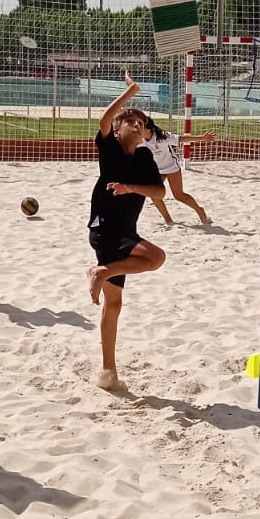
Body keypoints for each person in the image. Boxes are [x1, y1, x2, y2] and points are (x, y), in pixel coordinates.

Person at [87, 73, 166, 391]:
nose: (137, 124)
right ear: (118, 132)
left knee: (114, 305)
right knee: (156, 257)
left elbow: (159, 192)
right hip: (106, 231)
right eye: (131, 121)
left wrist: (131, 188)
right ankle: (102, 271)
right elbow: (104, 119)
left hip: (125, 233)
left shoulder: (145, 157)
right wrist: (131, 92)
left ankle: (108, 370)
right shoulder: (111, 149)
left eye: (141, 122)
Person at [141, 116, 214, 225]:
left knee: (179, 195)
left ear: (147, 128)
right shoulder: (138, 139)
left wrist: (202, 138)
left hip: (171, 167)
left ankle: (200, 210)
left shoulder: (162, 136)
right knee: (154, 194)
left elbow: (182, 139)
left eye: (139, 126)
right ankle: (168, 220)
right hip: (157, 170)